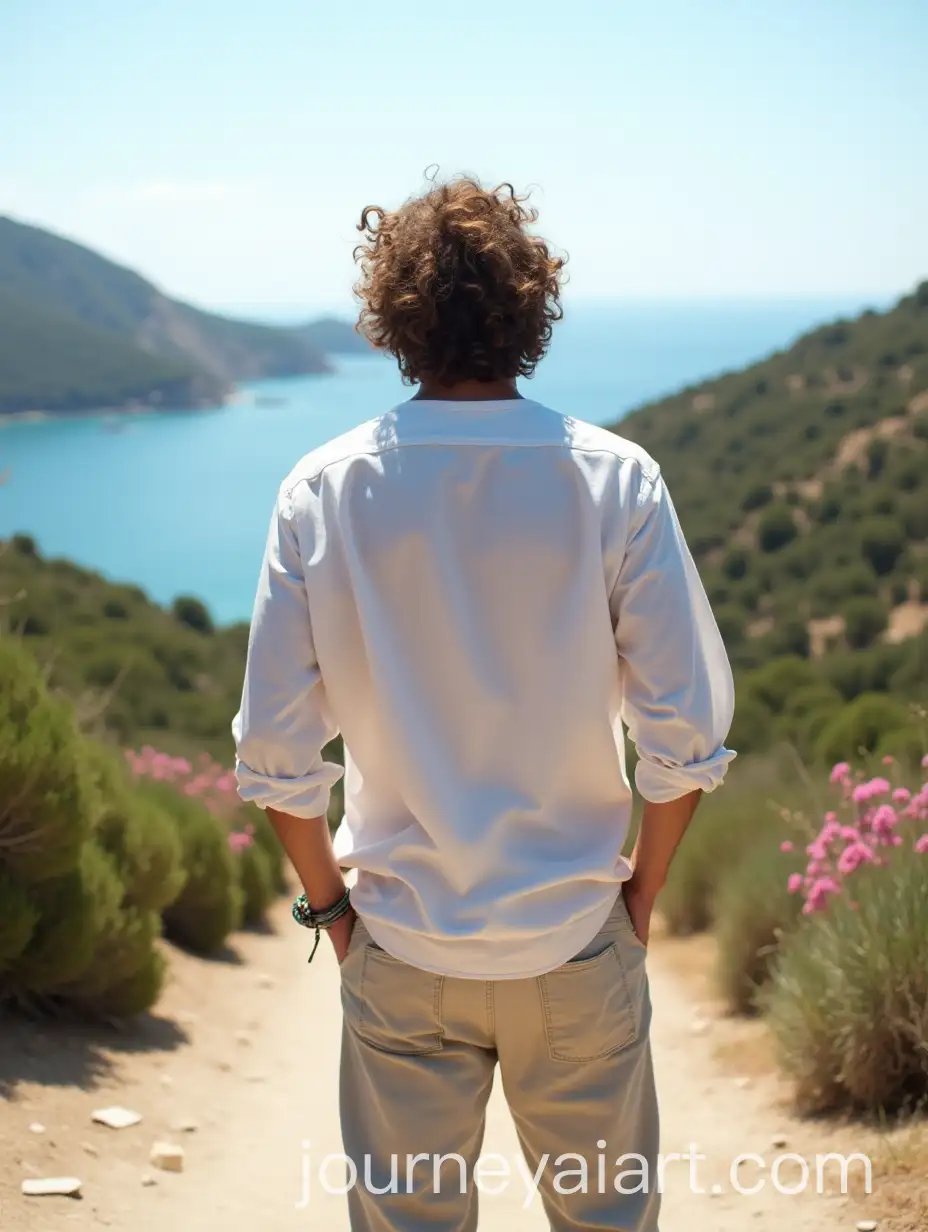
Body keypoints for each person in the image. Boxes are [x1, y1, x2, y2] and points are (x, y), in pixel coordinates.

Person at [232, 175, 735, 1231]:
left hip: (403, 947)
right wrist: (640, 896)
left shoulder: (322, 488)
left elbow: (275, 754)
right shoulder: (616, 479)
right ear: (529, 308)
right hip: (575, 940)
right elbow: (683, 733)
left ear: (395, 317)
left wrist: (333, 912)